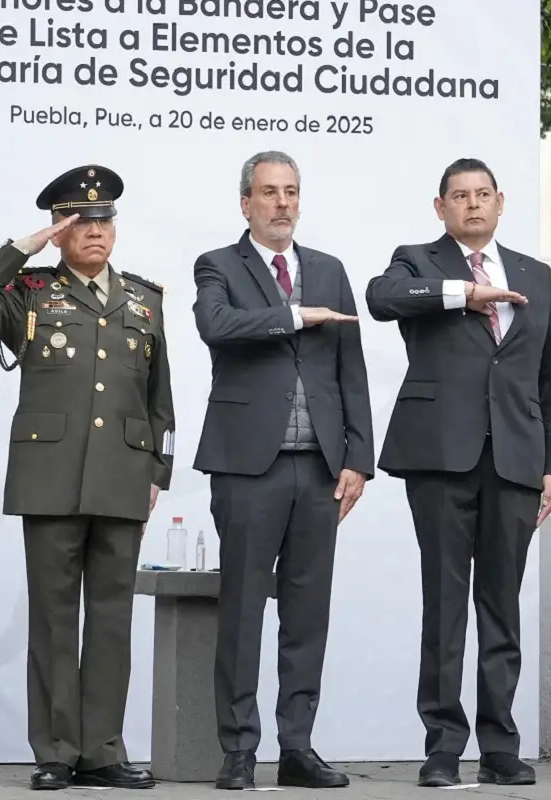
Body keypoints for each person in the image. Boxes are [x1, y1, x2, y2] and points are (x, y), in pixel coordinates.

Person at [0, 165, 175, 791]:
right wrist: (27, 246)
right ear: (60, 228)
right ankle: (56, 749)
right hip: (50, 477)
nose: (95, 232)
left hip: (124, 476)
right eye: (80, 221)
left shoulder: (145, 299)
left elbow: (162, 400)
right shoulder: (30, 292)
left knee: (111, 618)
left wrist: (159, 468)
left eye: (104, 221)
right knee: (53, 617)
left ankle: (103, 749)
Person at [365, 158, 551, 788]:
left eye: (483, 195)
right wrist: (465, 293)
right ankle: (442, 745)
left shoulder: (535, 274)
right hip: (440, 455)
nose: (473, 205)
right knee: (445, 602)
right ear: (441, 207)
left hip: (515, 458)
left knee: (501, 605)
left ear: (501, 202)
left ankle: (501, 744)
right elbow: (381, 298)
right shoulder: (418, 262)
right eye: (460, 196)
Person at [191, 151, 373, 791]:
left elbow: (351, 369)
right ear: (245, 203)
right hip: (248, 467)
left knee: (307, 613)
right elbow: (216, 326)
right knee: (242, 611)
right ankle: (239, 751)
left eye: (291, 192)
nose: (282, 204)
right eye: (268, 193)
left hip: (320, 468)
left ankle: (297, 748)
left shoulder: (330, 269)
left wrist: (358, 458)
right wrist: (296, 315)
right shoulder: (218, 265)